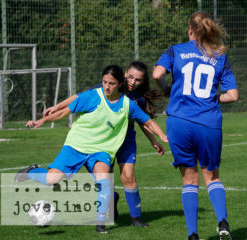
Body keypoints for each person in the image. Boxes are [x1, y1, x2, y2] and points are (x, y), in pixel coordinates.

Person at [15, 65, 168, 234]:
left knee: (104, 181)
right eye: (104, 82)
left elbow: (147, 122)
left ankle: (100, 223)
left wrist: (162, 136)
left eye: (111, 83)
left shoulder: (128, 104)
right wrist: (41, 121)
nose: (107, 86)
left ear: (119, 84)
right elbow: (65, 112)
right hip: (77, 145)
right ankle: (32, 171)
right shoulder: (93, 96)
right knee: (52, 180)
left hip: (101, 150)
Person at [153, 11, 238, 240]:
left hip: (179, 121)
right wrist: (212, 97)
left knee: (189, 180)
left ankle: (192, 235)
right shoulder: (219, 55)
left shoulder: (176, 50)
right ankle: (222, 222)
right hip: (208, 122)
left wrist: (166, 89)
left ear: (190, 29)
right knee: (212, 176)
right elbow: (233, 95)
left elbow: (157, 73)